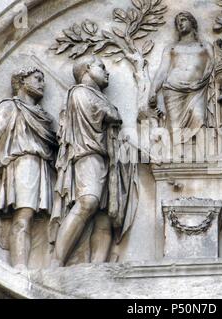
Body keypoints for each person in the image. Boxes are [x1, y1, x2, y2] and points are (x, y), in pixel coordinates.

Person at [50, 55, 133, 267]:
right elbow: (109, 114)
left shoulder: (95, 95)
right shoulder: (79, 92)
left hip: (108, 158)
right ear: (87, 68)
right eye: (101, 67)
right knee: (88, 201)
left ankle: (97, 267)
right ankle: (56, 263)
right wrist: (109, 111)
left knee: (105, 215)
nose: (107, 72)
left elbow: (112, 114)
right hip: (87, 154)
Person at [0, 67, 57, 269]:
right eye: (37, 78)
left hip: (41, 166)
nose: (42, 84)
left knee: (37, 219)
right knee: (24, 215)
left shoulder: (43, 116)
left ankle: (32, 264)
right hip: (22, 163)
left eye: (43, 79)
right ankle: (20, 266)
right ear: (22, 81)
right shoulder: (9, 107)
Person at [148, 11, 214, 157]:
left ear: (192, 22)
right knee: (175, 124)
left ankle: (204, 155)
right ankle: (178, 157)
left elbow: (213, 65)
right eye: (178, 21)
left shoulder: (204, 46)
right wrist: (153, 90)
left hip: (197, 88)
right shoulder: (172, 48)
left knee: (199, 117)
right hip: (173, 89)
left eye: (183, 20)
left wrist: (203, 81)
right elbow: (162, 71)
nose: (180, 23)